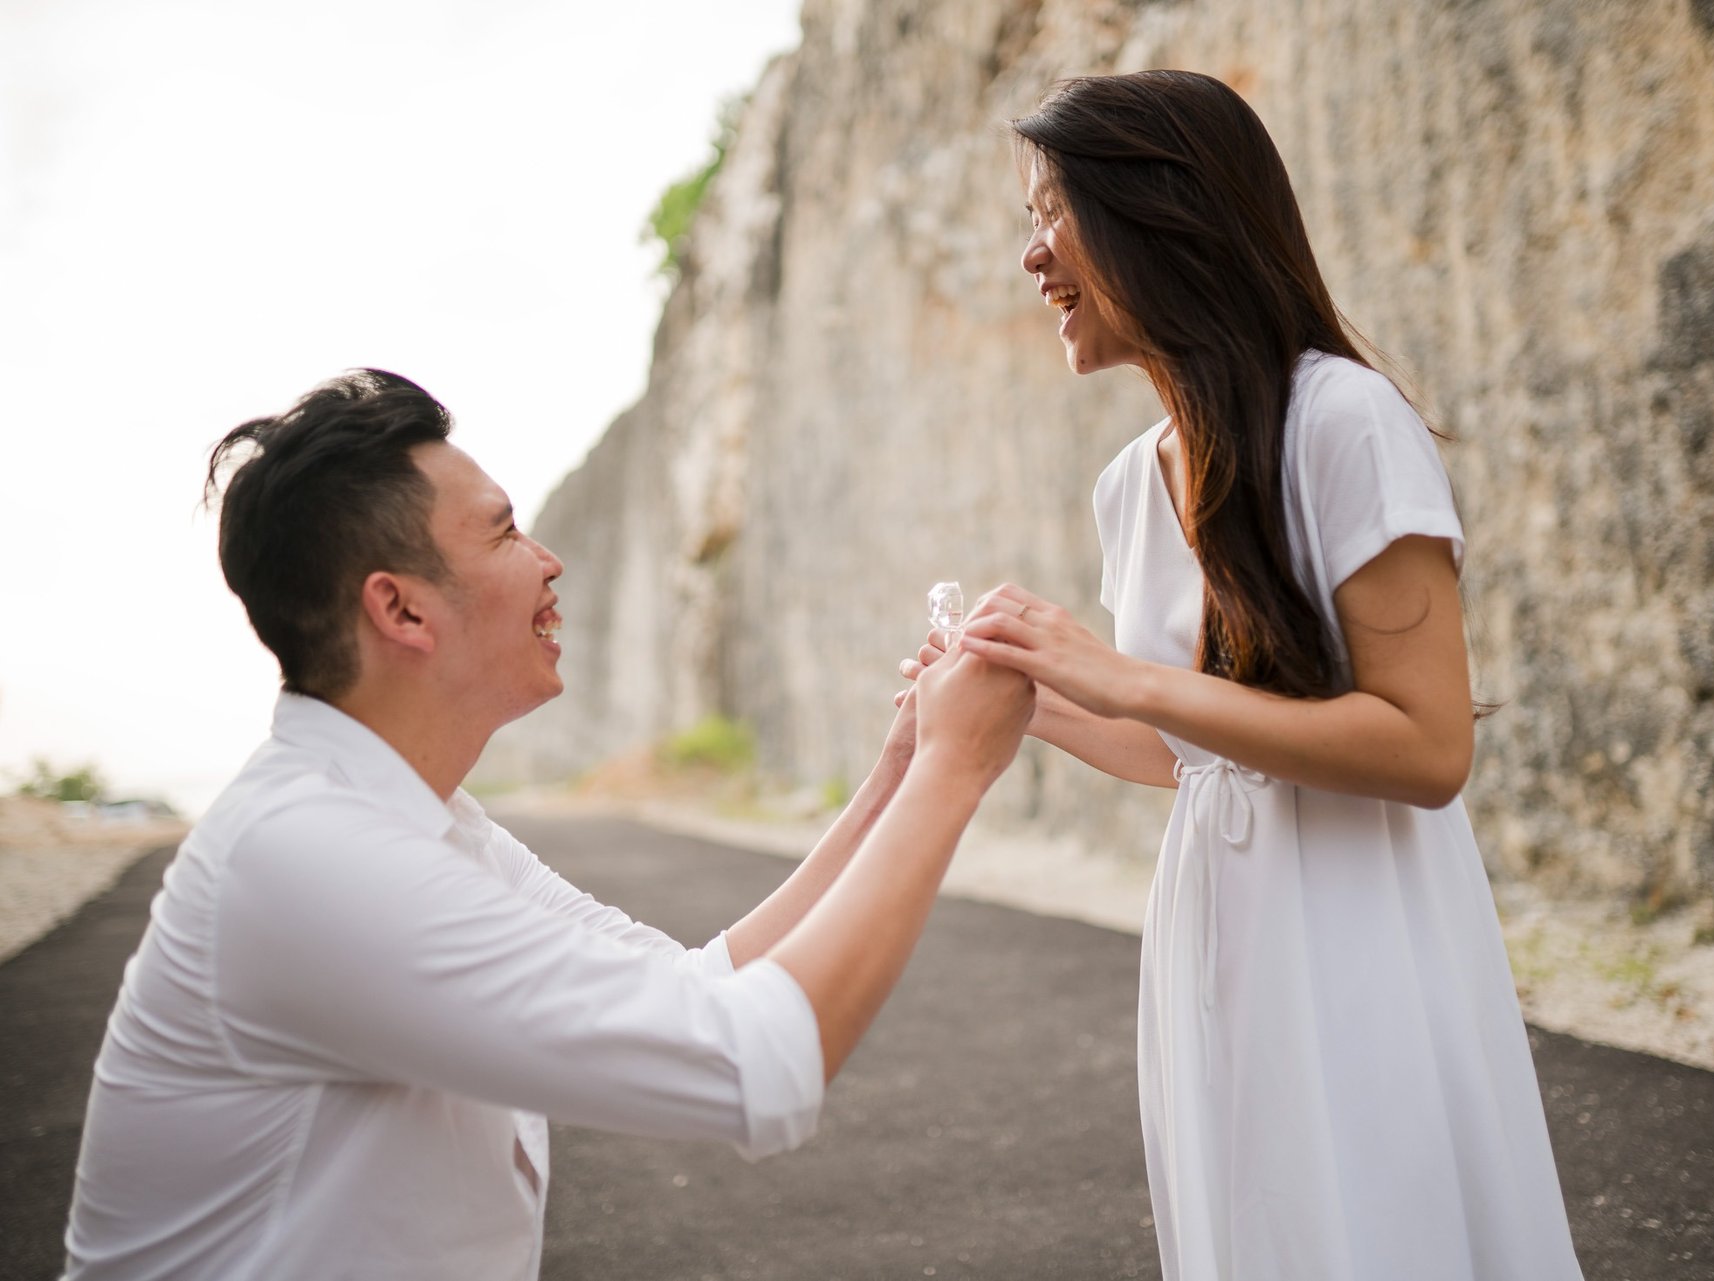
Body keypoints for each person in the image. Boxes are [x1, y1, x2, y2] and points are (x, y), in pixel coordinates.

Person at [63, 369, 1034, 1280]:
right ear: (399, 609)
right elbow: (753, 1062)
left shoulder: (422, 822)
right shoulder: (307, 857)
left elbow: (697, 982)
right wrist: (959, 766)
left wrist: (905, 768)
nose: (550, 563)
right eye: (505, 534)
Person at [902, 71, 1584, 1279]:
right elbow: (1196, 757)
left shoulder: (1343, 421)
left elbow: (1428, 750)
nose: (1032, 258)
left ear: (1161, 219)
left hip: (1359, 930)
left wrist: (1119, 674)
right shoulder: (1130, 483)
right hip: (1216, 942)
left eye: (1052, 213)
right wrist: (1029, 694)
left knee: (1382, 1227)